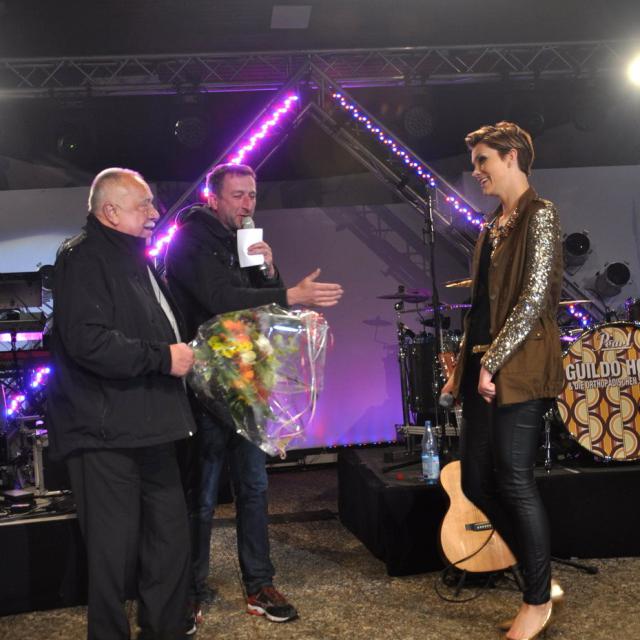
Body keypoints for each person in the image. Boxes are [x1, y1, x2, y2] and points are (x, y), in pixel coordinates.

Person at [165, 163, 343, 627]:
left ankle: (259, 583)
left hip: (248, 379)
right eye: (238, 195)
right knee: (202, 495)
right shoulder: (189, 240)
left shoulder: (242, 239)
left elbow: (260, 304)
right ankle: (188, 590)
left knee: (254, 487)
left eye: (252, 195)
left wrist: (269, 271)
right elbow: (219, 299)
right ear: (212, 198)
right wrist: (291, 293)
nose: (247, 204)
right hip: (206, 385)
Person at [47, 168, 197, 640]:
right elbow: (88, 342)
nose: (154, 212)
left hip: (152, 425)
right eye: (143, 205)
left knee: (170, 542)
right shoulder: (83, 258)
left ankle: (164, 630)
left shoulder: (136, 256)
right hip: (104, 432)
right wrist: (163, 358)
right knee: (112, 555)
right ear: (110, 212)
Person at [442, 122, 564, 640]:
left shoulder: (541, 214)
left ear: (511, 157)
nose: (476, 171)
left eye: (483, 160)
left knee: (514, 479)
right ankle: (540, 576)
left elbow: (534, 298)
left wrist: (494, 361)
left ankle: (536, 600)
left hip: (520, 362)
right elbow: (483, 307)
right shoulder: (494, 223)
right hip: (483, 364)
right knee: (475, 481)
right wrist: (461, 371)